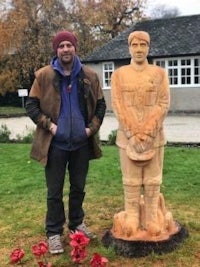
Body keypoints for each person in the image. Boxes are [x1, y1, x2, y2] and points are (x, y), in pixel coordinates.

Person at [25, 30, 106, 254]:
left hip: (81, 144)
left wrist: (91, 129)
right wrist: (49, 125)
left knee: (79, 188)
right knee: (54, 191)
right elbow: (31, 105)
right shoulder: (43, 76)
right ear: (56, 50)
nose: (65, 49)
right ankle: (53, 232)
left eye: (69, 45)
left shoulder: (89, 75)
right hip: (55, 146)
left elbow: (101, 105)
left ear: (75, 48)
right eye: (61, 46)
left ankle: (76, 224)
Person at [111, 31, 170, 238]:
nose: (138, 49)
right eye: (134, 45)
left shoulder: (159, 74)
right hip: (127, 138)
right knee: (131, 179)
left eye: (143, 45)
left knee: (153, 179)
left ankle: (152, 216)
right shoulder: (119, 74)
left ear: (148, 48)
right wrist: (132, 133)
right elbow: (117, 104)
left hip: (154, 137)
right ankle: (133, 215)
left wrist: (148, 131)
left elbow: (163, 103)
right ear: (129, 47)